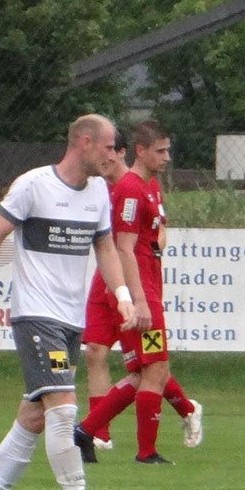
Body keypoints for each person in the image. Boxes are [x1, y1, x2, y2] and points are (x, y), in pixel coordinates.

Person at [0, 113, 144, 490]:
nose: (113, 156)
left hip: (69, 321)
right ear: (84, 142)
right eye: (108, 147)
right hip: (36, 317)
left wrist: (123, 297)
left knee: (35, 416)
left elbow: (105, 248)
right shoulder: (34, 185)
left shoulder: (98, 192)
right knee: (63, 410)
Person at [75, 120, 203, 464]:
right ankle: (144, 450)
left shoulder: (151, 186)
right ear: (140, 151)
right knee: (155, 368)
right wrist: (139, 300)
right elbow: (124, 247)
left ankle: (87, 431)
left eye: (168, 150)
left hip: (149, 287)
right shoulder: (130, 190)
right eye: (160, 151)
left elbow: (154, 235)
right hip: (141, 290)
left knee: (146, 371)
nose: (167, 157)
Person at [74, 130, 135, 452]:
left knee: (146, 363)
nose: (106, 157)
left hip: (132, 281)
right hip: (105, 279)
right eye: (102, 150)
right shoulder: (96, 187)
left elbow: (159, 235)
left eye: (112, 150)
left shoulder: (137, 187)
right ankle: (99, 432)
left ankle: (185, 407)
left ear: (122, 152)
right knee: (95, 350)